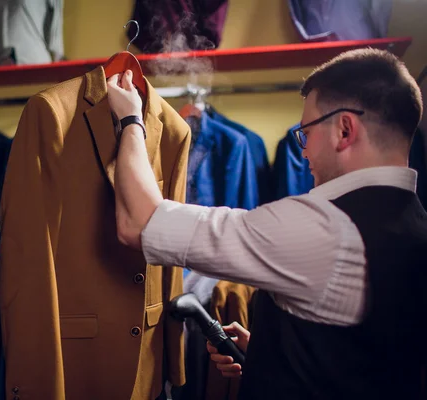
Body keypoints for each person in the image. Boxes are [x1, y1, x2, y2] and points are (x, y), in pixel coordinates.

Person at [106, 48, 427, 399]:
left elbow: (137, 223)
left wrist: (130, 120)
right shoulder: (415, 226)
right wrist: (267, 353)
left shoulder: (324, 228)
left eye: (306, 133)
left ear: (344, 129)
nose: (303, 152)